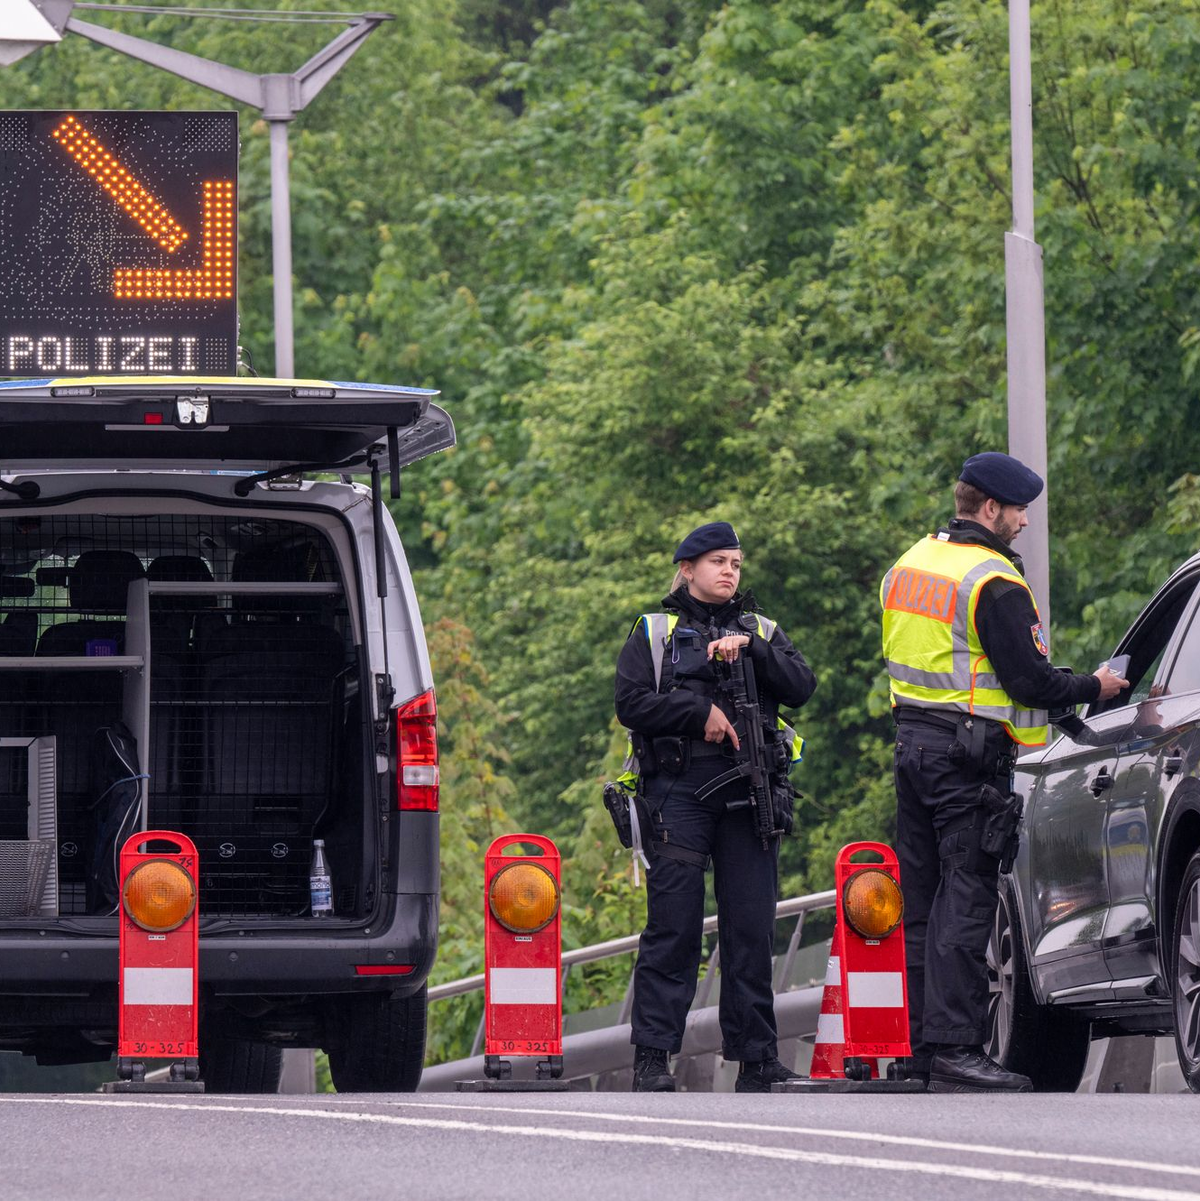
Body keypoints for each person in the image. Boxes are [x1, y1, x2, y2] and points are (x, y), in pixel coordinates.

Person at [881, 452, 1128, 1093]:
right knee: (966, 903)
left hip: (912, 748)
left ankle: (918, 1051)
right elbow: (1031, 679)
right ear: (990, 508)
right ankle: (956, 1048)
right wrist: (1094, 686)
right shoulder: (992, 580)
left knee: (923, 907)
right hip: (967, 762)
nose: (1022, 522)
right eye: (1018, 510)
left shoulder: (910, 565)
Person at [615, 522, 817, 1093]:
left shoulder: (762, 628)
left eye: (736, 562)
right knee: (673, 929)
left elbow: (802, 686)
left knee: (750, 928)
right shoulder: (655, 631)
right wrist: (696, 713)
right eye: (718, 561)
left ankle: (758, 1061)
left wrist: (751, 648)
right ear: (687, 569)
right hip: (679, 795)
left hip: (750, 792)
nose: (730, 571)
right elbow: (630, 703)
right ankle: (653, 1060)